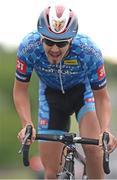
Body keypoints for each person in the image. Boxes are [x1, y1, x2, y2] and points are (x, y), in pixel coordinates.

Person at [13, 5, 117, 179]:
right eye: (49, 41)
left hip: (82, 94)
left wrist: (105, 129)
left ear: (72, 39)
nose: (54, 48)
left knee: (93, 149)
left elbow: (102, 97)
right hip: (51, 97)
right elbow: (20, 90)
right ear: (41, 38)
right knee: (51, 174)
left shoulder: (88, 51)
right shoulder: (28, 48)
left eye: (61, 43)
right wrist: (26, 124)